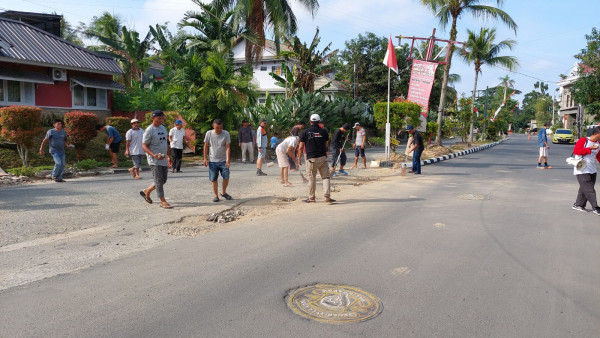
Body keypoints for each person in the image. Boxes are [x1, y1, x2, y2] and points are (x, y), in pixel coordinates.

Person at [298, 113, 335, 203]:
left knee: (311, 178)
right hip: (322, 158)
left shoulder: (305, 132)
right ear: (318, 122)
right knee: (326, 177)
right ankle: (326, 197)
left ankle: (312, 198)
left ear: (310, 122)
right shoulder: (324, 132)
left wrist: (299, 159)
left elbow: (301, 147)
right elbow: (326, 145)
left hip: (311, 159)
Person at [140, 110, 173, 209]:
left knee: (163, 180)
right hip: (154, 160)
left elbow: (165, 143)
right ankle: (163, 201)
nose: (161, 120)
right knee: (159, 180)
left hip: (163, 159)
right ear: (153, 118)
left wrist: (168, 156)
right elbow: (144, 146)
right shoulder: (149, 130)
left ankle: (147, 191)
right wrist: (154, 155)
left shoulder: (163, 128)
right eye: (159, 118)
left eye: (162, 118)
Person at [572, 126, 600, 215]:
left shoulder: (599, 143)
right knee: (589, 188)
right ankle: (596, 207)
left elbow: (599, 156)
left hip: (592, 168)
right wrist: (589, 149)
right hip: (581, 168)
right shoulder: (584, 140)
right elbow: (576, 151)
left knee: (585, 187)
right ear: (596, 134)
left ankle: (578, 204)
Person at [204, 119, 232, 202]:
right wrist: (205, 158)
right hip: (213, 160)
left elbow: (227, 147)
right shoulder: (209, 133)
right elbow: (206, 146)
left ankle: (223, 192)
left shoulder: (226, 134)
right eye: (217, 128)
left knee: (226, 176)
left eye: (220, 128)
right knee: (213, 179)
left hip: (223, 160)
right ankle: (216, 195)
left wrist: (227, 159)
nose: (219, 130)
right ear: (213, 126)